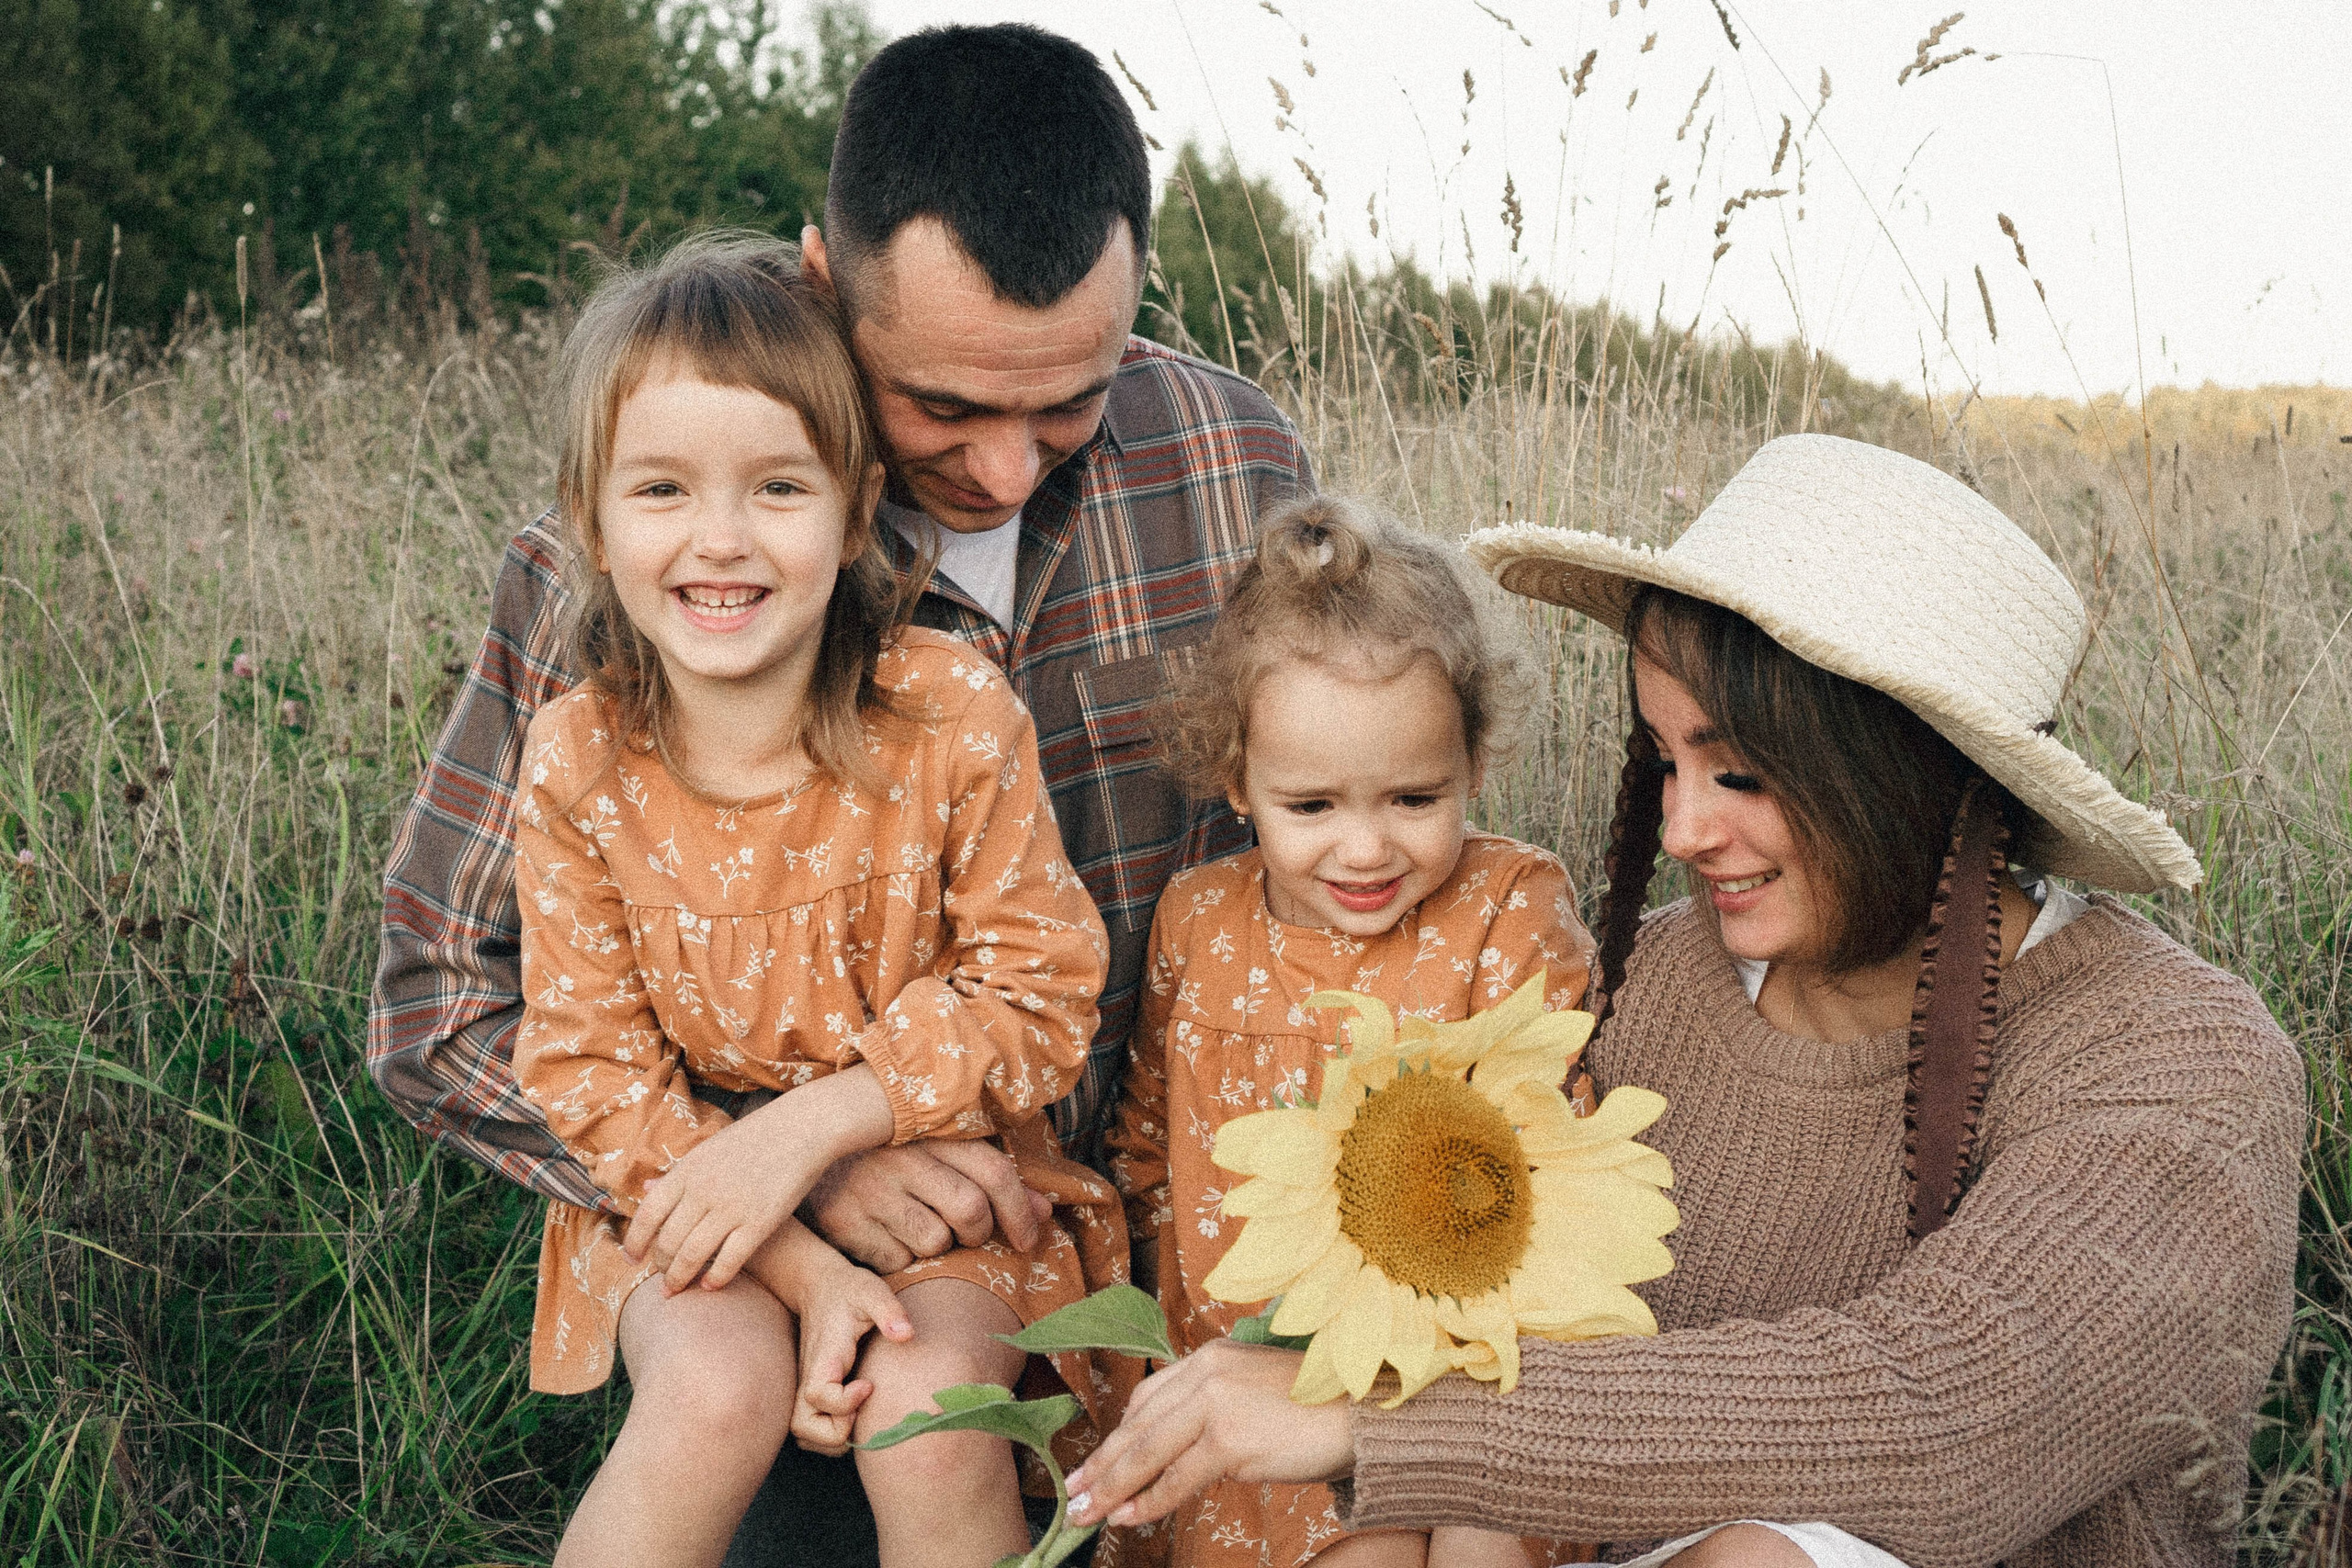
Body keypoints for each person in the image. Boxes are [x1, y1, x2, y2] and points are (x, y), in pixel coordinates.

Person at [369, 24, 1311, 1562]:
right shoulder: (638, 571)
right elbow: (440, 1004)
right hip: (785, 1296)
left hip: (1147, 1264)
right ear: (824, 279)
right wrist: (799, 1165)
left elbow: (1317, 863)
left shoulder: (1233, 462)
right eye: (943, 406)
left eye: (1070, 401)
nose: (1006, 468)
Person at [1062, 434, 2303, 1568]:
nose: (1681, 829)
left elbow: (1953, 1416)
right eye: (1664, 761)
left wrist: (1379, 1420)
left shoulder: (2172, 1060)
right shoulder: (1654, 983)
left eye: (1741, 774)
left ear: (1903, 769)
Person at [510, 233, 1132, 1568]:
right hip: (687, 1187)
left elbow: (1040, 988)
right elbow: (587, 1065)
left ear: (855, 515)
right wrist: (796, 1254)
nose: (721, 540)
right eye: (662, 489)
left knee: (930, 1407)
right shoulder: (580, 757)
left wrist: (816, 1127)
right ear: (590, 519)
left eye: (779, 488)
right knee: (713, 1389)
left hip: (948, 1191)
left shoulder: (947, 714)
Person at [1107, 496, 1601, 1568]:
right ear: (1237, 779)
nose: (1366, 849)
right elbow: (1147, 1135)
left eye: (1414, 799)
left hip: (1458, 1374)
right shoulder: (1199, 919)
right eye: (1313, 807)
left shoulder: (1507, 910)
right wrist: (1156, 1335)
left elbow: (1554, 1159)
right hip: (1250, 1372)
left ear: (1475, 762)